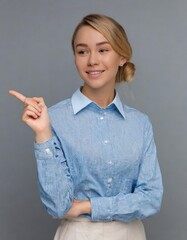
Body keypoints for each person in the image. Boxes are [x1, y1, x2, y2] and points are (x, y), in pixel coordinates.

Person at [9, 14, 163, 240]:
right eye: (82, 51)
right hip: (77, 234)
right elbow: (58, 206)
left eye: (103, 50)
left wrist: (87, 206)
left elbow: (151, 198)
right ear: (75, 58)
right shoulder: (54, 118)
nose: (92, 60)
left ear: (121, 57)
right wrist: (43, 133)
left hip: (130, 234)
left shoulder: (140, 124)